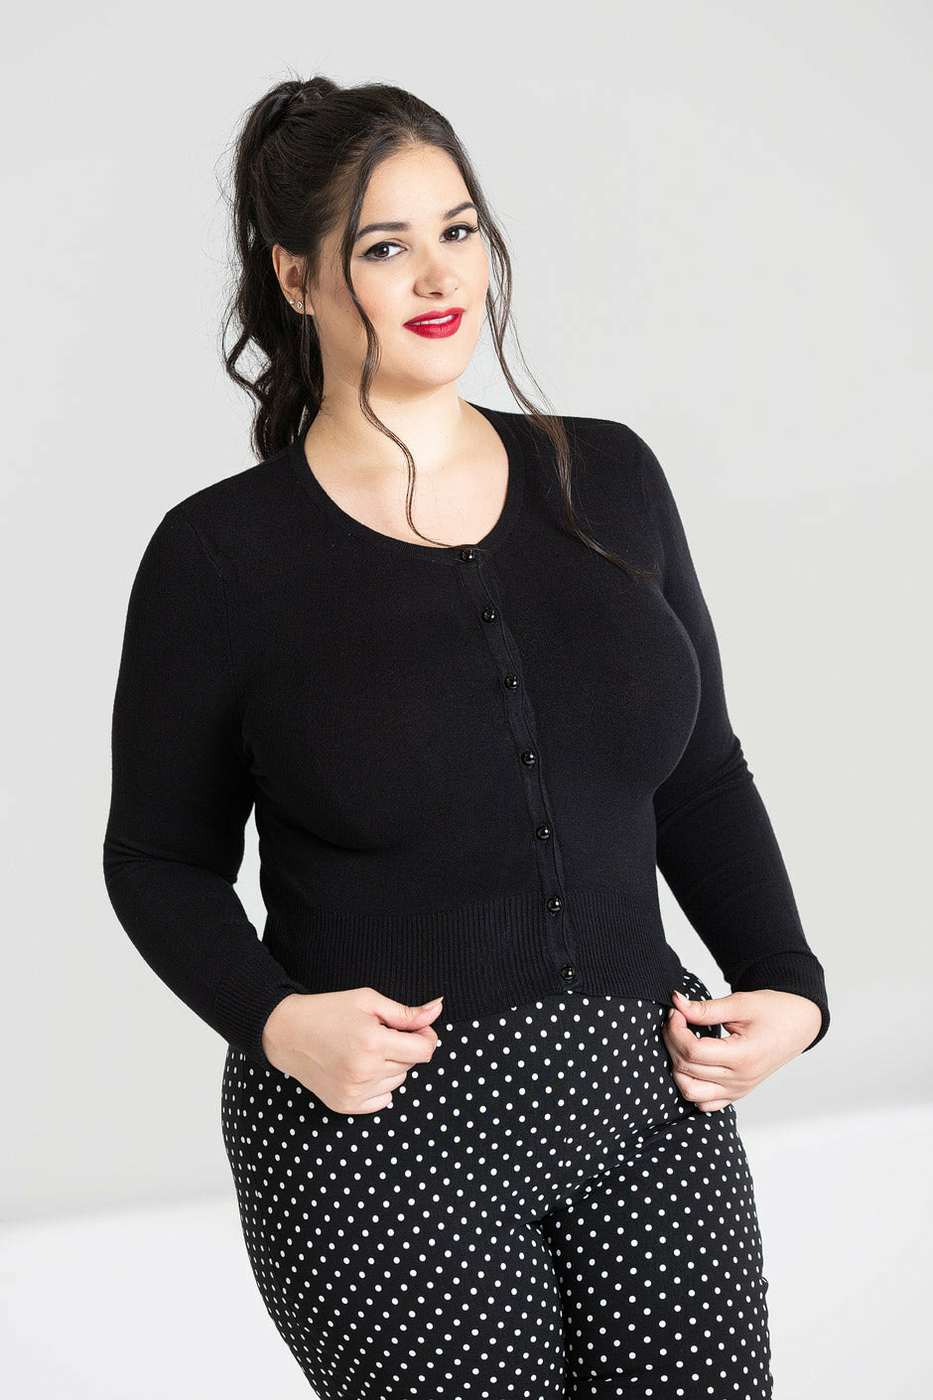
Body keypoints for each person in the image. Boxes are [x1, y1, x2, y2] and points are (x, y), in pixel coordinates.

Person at [102, 72, 830, 1400]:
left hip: (647, 1105)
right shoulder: (221, 557)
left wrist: (789, 981)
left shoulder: (608, 476)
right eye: (385, 246)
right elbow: (156, 857)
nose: (440, 274)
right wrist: (277, 1023)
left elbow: (700, 772)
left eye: (458, 228)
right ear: (298, 278)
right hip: (381, 1143)